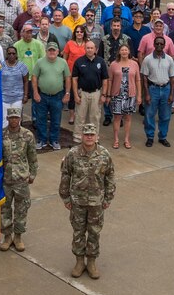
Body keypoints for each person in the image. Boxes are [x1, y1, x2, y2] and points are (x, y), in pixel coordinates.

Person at [59, 123, 116, 280]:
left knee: (94, 232)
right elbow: (65, 175)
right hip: (77, 201)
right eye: (87, 134)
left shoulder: (104, 155)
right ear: (82, 136)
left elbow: (110, 175)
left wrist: (108, 197)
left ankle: (91, 262)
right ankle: (79, 262)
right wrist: (65, 197)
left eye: (92, 135)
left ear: (97, 137)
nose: (89, 137)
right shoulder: (72, 154)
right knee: (78, 231)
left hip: (97, 202)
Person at [0, 106, 38, 253]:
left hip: (21, 179)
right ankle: (7, 236)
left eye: (16, 117)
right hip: (5, 179)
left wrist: (33, 174)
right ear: (8, 118)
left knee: (21, 209)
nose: (14, 120)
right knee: (5, 209)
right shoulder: (1, 135)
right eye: (11, 118)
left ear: (20, 119)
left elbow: (32, 157)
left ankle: (18, 237)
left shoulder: (27, 135)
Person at [32, 41, 69, 150]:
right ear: (46, 51)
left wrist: (67, 93)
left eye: (54, 50)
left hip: (57, 96)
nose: (52, 52)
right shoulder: (39, 62)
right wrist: (35, 92)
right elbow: (34, 77)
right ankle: (42, 140)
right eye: (50, 50)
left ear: (58, 51)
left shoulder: (63, 62)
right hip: (42, 95)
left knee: (56, 120)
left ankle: (54, 140)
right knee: (41, 119)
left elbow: (67, 78)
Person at [140, 35, 174, 148]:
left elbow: (172, 78)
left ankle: (163, 137)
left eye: (161, 44)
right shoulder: (147, 59)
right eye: (157, 43)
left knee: (165, 116)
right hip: (153, 89)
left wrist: (171, 94)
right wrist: (146, 94)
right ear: (154, 45)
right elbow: (144, 77)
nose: (159, 45)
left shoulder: (169, 59)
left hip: (166, 89)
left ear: (165, 45)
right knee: (149, 115)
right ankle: (150, 137)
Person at [107, 43, 140, 149]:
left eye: (126, 50)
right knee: (116, 118)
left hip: (130, 95)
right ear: (119, 52)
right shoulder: (114, 64)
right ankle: (116, 139)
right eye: (122, 50)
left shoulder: (134, 64)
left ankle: (126, 139)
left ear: (129, 52)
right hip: (117, 95)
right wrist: (108, 94)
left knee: (128, 118)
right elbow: (110, 80)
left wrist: (139, 95)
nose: (124, 52)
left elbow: (138, 80)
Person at [71, 40, 108, 131]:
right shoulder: (79, 62)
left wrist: (104, 95)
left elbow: (105, 80)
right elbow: (74, 79)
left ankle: (94, 139)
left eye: (92, 48)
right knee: (80, 117)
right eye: (88, 48)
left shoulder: (101, 62)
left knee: (95, 118)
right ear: (85, 49)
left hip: (96, 93)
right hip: (82, 93)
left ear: (96, 49)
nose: (90, 50)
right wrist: (75, 95)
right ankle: (78, 138)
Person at [0, 45, 29, 121]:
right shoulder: (1, 66)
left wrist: (25, 95)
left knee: (16, 120)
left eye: (13, 53)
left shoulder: (22, 66)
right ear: (6, 55)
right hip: (4, 97)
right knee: (4, 120)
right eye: (9, 53)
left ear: (16, 55)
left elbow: (26, 81)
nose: (11, 55)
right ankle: (5, 133)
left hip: (17, 98)